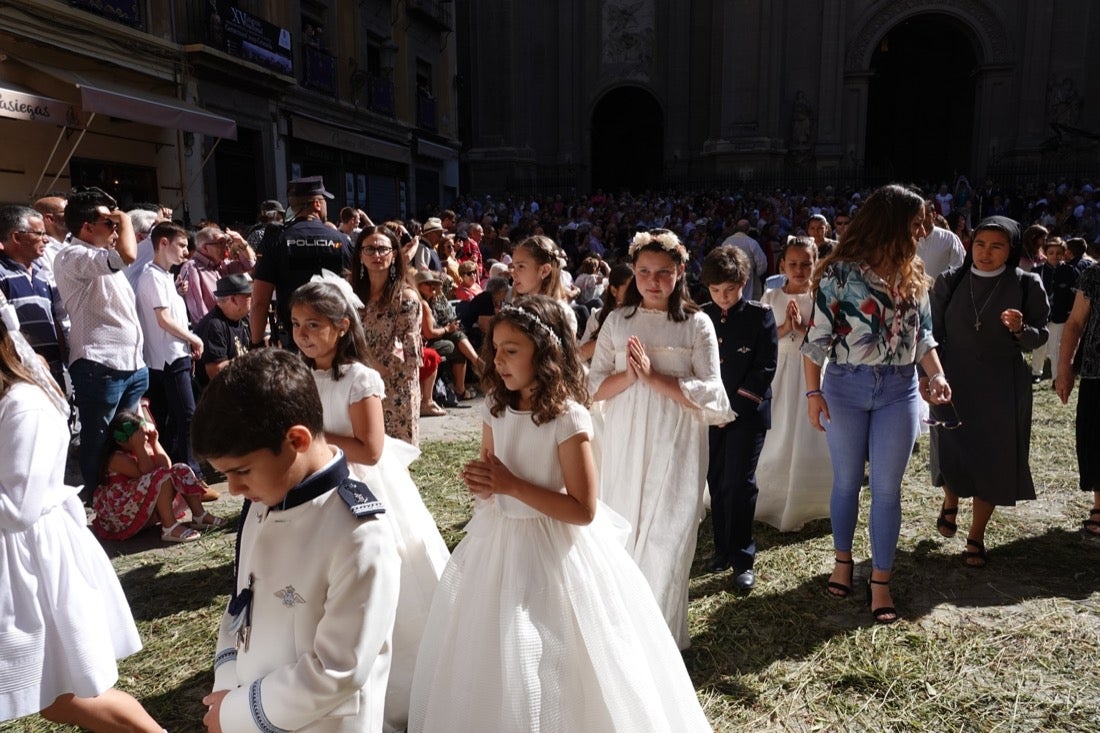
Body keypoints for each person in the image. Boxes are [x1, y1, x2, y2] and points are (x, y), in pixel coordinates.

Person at [408, 295, 712, 733]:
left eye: (512, 350)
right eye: (496, 348)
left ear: (545, 352)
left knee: (552, 649)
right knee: (498, 644)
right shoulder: (496, 407)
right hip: (499, 544)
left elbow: (583, 508)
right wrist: (485, 484)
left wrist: (512, 485)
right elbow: (494, 478)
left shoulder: (567, 418)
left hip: (557, 550)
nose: (499, 359)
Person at [193, 348, 400, 733]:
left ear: (297, 440)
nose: (233, 489)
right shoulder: (265, 497)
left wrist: (237, 712)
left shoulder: (358, 533)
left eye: (241, 472)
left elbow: (339, 670)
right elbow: (241, 602)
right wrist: (227, 687)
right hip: (253, 704)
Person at [289, 279, 449, 733]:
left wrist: (313, 441)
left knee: (380, 575)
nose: (303, 334)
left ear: (342, 327)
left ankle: (400, 680)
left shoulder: (361, 378)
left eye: (314, 325)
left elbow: (371, 449)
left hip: (356, 486)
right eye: (297, 324)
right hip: (312, 486)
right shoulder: (300, 374)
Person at [0, 316, 163, 732]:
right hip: (19, 558)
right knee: (56, 695)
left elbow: (19, 507)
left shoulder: (25, 405)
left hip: (33, 562)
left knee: (67, 692)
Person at [802, 184, 952, 624]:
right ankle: (843, 561)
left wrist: (937, 374)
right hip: (845, 387)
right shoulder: (840, 274)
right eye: (916, 221)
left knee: (888, 487)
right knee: (847, 481)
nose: (923, 228)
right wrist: (813, 394)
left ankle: (881, 580)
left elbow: (923, 336)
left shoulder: (916, 272)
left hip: (900, 389)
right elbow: (816, 341)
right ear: (893, 222)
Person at [589, 229, 734, 649]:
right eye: (644, 272)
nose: (653, 281)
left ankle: (659, 640)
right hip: (626, 440)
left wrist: (653, 377)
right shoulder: (617, 321)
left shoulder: (696, 324)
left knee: (667, 535)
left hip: (677, 440)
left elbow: (712, 392)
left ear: (680, 272)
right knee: (626, 532)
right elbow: (593, 386)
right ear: (633, 272)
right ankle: (620, 634)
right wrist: (629, 376)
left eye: (663, 273)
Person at [928, 216, 1048, 567]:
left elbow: (1038, 336)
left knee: (994, 460)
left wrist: (1021, 329)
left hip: (1002, 384)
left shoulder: (1026, 283)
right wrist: (929, 375)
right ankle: (951, 500)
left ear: (1011, 250)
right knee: (953, 450)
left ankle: (976, 536)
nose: (986, 252)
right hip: (954, 380)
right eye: (980, 244)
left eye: (997, 246)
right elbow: (931, 334)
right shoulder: (950, 281)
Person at [53, 187, 149, 503]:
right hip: (101, 365)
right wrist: (123, 214)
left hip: (130, 364)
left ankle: (121, 495)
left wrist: (115, 220)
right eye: (108, 222)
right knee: (97, 437)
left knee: (124, 437)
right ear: (86, 227)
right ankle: (95, 500)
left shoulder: (97, 257)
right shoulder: (72, 255)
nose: (116, 228)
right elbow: (127, 255)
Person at [698, 245, 778, 589]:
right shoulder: (701, 317)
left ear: (744, 282)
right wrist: (711, 409)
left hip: (746, 414)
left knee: (740, 483)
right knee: (716, 482)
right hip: (711, 415)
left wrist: (732, 410)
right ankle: (722, 550)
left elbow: (764, 368)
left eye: (729, 289)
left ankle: (743, 557)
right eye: (715, 291)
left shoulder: (761, 316)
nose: (723, 297)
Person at [757, 237, 833, 531]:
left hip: (809, 372)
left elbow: (827, 340)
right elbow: (761, 338)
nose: (799, 270)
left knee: (807, 428)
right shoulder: (771, 297)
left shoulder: (821, 298)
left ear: (816, 265)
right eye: (793, 264)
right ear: (782, 266)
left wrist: (801, 328)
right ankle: (770, 494)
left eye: (806, 264)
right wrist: (785, 327)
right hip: (779, 369)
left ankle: (810, 496)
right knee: (778, 425)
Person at [135, 221, 206, 480]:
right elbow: (163, 319)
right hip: (168, 356)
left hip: (174, 354)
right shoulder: (151, 275)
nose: (185, 252)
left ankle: (175, 470)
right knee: (186, 415)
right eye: (182, 245)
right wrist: (194, 339)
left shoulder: (163, 276)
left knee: (175, 416)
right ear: (163, 243)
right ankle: (189, 472)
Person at [91, 408, 226, 542]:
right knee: (161, 477)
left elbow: (166, 466)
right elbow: (147, 473)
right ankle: (169, 527)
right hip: (121, 515)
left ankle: (199, 515)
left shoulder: (142, 448)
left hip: (141, 508)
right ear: (121, 440)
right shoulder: (116, 458)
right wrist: (138, 446)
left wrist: (154, 442)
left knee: (180, 468)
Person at [249, 176, 353, 349]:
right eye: (325, 200)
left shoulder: (276, 241)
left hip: (295, 340)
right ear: (317, 204)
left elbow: (259, 301)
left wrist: (256, 343)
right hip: (335, 339)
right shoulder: (341, 240)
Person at [352, 225, 424, 444]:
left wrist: (363, 367)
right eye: (370, 249)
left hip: (394, 391)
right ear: (360, 255)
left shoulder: (406, 298)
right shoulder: (351, 295)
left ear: (394, 255)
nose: (376, 254)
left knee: (393, 464)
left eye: (382, 249)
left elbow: (406, 355)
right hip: (356, 388)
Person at [1055, 256, 1100, 537]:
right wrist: (1064, 368)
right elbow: (1075, 324)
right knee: (1096, 440)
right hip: (1097, 372)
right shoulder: (1095, 276)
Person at [0, 204, 68, 388]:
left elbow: (54, 319)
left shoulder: (42, 273)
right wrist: (26, 358)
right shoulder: (1, 273)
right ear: (17, 237)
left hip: (53, 372)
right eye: (39, 233)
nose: (46, 240)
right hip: (19, 375)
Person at [414, 270, 483, 400]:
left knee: (457, 336)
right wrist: (447, 329)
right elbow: (429, 333)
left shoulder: (433, 301)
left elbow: (441, 321)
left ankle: (473, 369)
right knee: (452, 345)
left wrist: (449, 327)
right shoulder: (422, 304)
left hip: (435, 336)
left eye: (433, 284)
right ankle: (474, 369)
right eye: (427, 284)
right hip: (424, 343)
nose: (432, 287)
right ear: (419, 287)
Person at [179, 226, 255, 323]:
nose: (226, 247)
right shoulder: (192, 268)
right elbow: (198, 311)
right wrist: (213, 329)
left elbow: (249, 265)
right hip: (212, 331)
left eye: (226, 243)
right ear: (205, 248)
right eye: (220, 243)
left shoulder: (223, 264)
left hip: (231, 327)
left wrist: (241, 242)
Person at [510, 234, 577, 335]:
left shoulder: (563, 316)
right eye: (513, 266)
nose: (513, 273)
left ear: (544, 270)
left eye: (521, 266)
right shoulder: (514, 307)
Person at [194, 274, 252, 388]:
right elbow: (216, 371)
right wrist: (251, 363)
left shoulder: (244, 320)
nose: (252, 298)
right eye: (248, 295)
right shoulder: (214, 325)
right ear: (234, 300)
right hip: (220, 395)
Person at [578, 262, 633, 361]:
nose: (635, 295)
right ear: (614, 291)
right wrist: (608, 336)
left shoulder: (643, 315)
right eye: (630, 290)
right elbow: (581, 355)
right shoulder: (598, 317)